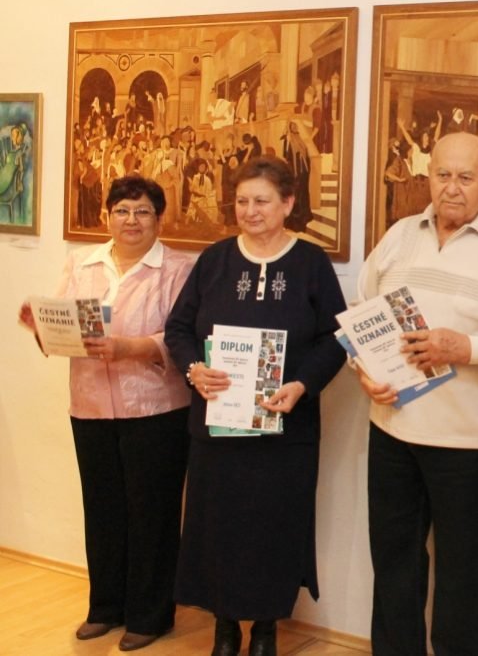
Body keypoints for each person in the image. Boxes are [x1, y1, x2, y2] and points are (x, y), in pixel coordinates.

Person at [355, 132, 478, 656]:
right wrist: (364, 370)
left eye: (466, 177)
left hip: (472, 445)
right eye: (443, 175)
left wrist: (467, 347)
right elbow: (361, 315)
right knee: (394, 569)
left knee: (465, 579)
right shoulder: (400, 235)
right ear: (429, 176)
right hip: (392, 433)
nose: (452, 188)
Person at [164, 156, 347, 656]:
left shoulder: (311, 263)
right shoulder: (215, 260)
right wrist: (193, 369)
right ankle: (225, 627)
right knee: (218, 526)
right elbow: (178, 329)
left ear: (288, 203)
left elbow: (337, 337)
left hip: (285, 429)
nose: (250, 211)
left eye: (262, 201)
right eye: (242, 201)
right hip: (218, 428)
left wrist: (303, 385)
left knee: (274, 527)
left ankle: (266, 628)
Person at [17, 176, 194, 651]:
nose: (131, 220)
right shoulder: (82, 263)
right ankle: (105, 608)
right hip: (90, 405)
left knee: (153, 513)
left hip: (156, 409)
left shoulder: (179, 269)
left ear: (160, 219)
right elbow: (62, 325)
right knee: (102, 510)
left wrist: (127, 347)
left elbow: (182, 337)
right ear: (107, 216)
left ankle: (151, 615)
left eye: (142, 211)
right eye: (122, 211)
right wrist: (41, 326)